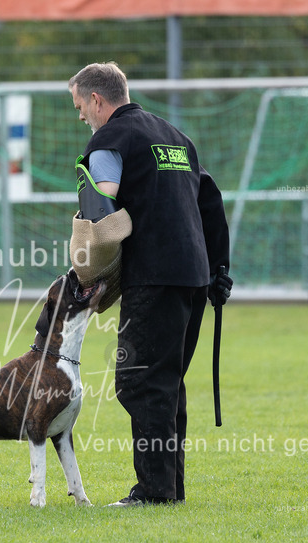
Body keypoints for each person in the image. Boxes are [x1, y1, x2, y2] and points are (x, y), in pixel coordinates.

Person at [68, 62, 233, 506]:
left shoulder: (109, 139)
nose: (80, 116)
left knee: (140, 382)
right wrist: (219, 269)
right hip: (194, 275)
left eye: (80, 106)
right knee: (167, 382)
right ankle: (169, 489)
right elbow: (211, 201)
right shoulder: (176, 137)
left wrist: (90, 270)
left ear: (97, 100)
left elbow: (102, 206)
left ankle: (155, 493)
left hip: (154, 276)